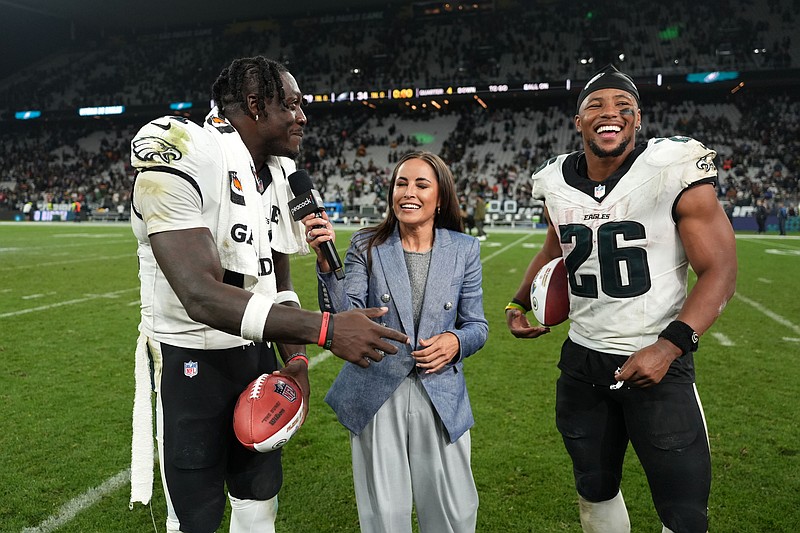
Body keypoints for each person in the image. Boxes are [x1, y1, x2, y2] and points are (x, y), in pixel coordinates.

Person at [128, 56, 408, 533]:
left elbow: (276, 284)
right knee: (195, 514)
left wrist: (295, 358)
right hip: (192, 362)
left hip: (256, 359)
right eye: (293, 105)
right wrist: (327, 330)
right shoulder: (187, 150)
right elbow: (201, 295)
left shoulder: (279, 175)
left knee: (259, 499)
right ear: (255, 105)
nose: (303, 116)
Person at [505, 64, 737, 533]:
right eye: (595, 104)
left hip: (657, 361)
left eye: (622, 106)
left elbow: (721, 270)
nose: (609, 113)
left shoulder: (671, 167)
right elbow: (557, 246)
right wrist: (517, 303)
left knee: (685, 513)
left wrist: (668, 347)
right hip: (582, 361)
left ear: (637, 119)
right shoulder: (554, 181)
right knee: (594, 487)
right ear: (579, 120)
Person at [303, 151, 488, 533]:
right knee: (385, 517)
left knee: (454, 514)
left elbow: (477, 326)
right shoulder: (366, 243)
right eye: (401, 183)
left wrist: (455, 341)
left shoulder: (464, 249)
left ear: (441, 197)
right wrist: (325, 261)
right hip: (376, 391)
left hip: (440, 394)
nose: (409, 192)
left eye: (422, 184)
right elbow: (346, 316)